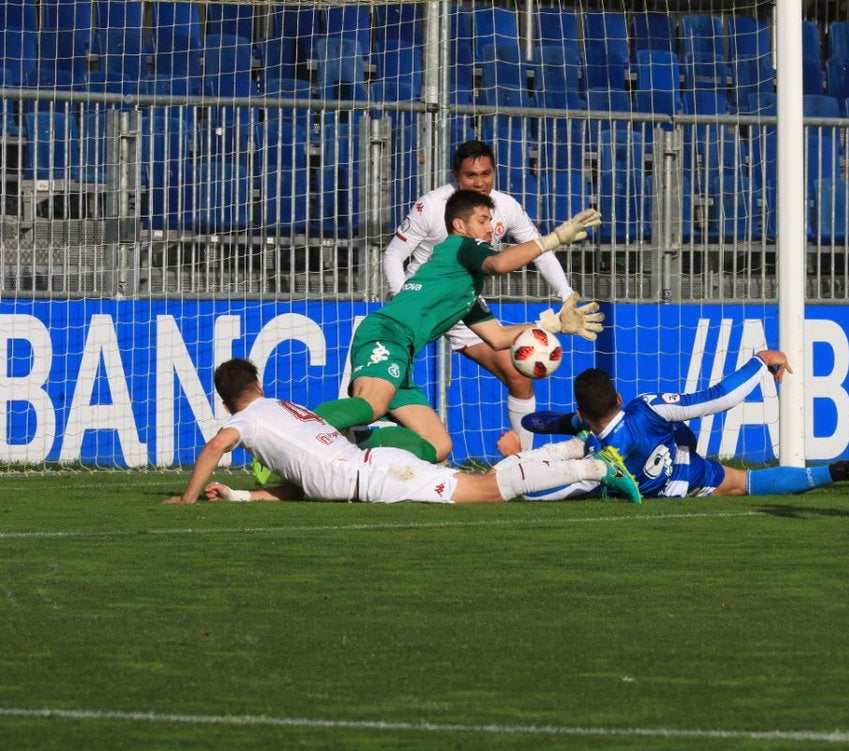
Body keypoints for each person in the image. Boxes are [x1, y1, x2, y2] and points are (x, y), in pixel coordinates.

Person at [314, 188, 603, 463]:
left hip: (404, 352)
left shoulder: (464, 285)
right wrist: (554, 238)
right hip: (387, 333)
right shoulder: (461, 245)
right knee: (373, 406)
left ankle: (358, 445)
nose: (491, 228)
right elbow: (500, 263)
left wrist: (550, 324)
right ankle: (292, 428)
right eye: (483, 220)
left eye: (491, 221)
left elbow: (498, 338)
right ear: (459, 225)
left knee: (438, 447)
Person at [164, 358, 641, 505]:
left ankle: (594, 463)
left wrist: (185, 501)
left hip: (379, 480)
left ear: (227, 403)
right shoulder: (282, 409)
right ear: (259, 385)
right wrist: (239, 498)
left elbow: (213, 446)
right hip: (375, 471)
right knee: (488, 486)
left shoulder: (243, 422)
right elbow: (305, 486)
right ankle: (579, 449)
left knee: (490, 490)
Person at [383, 140, 577, 451]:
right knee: (387, 382)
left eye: (486, 174)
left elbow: (538, 251)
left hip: (463, 302)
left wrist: (566, 294)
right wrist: (404, 300)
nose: (480, 182)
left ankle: (524, 467)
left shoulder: (505, 206)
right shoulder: (432, 206)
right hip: (421, 305)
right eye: (471, 175)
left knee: (518, 374)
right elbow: (393, 256)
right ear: (455, 175)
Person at [506, 350, 849, 500]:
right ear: (618, 397)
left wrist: (517, 459)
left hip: (671, 487)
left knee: (743, 487)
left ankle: (838, 472)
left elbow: (541, 491)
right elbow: (720, 397)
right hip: (687, 465)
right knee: (746, 480)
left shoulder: (599, 460)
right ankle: (835, 470)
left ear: (584, 414)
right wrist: (760, 361)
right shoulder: (648, 408)